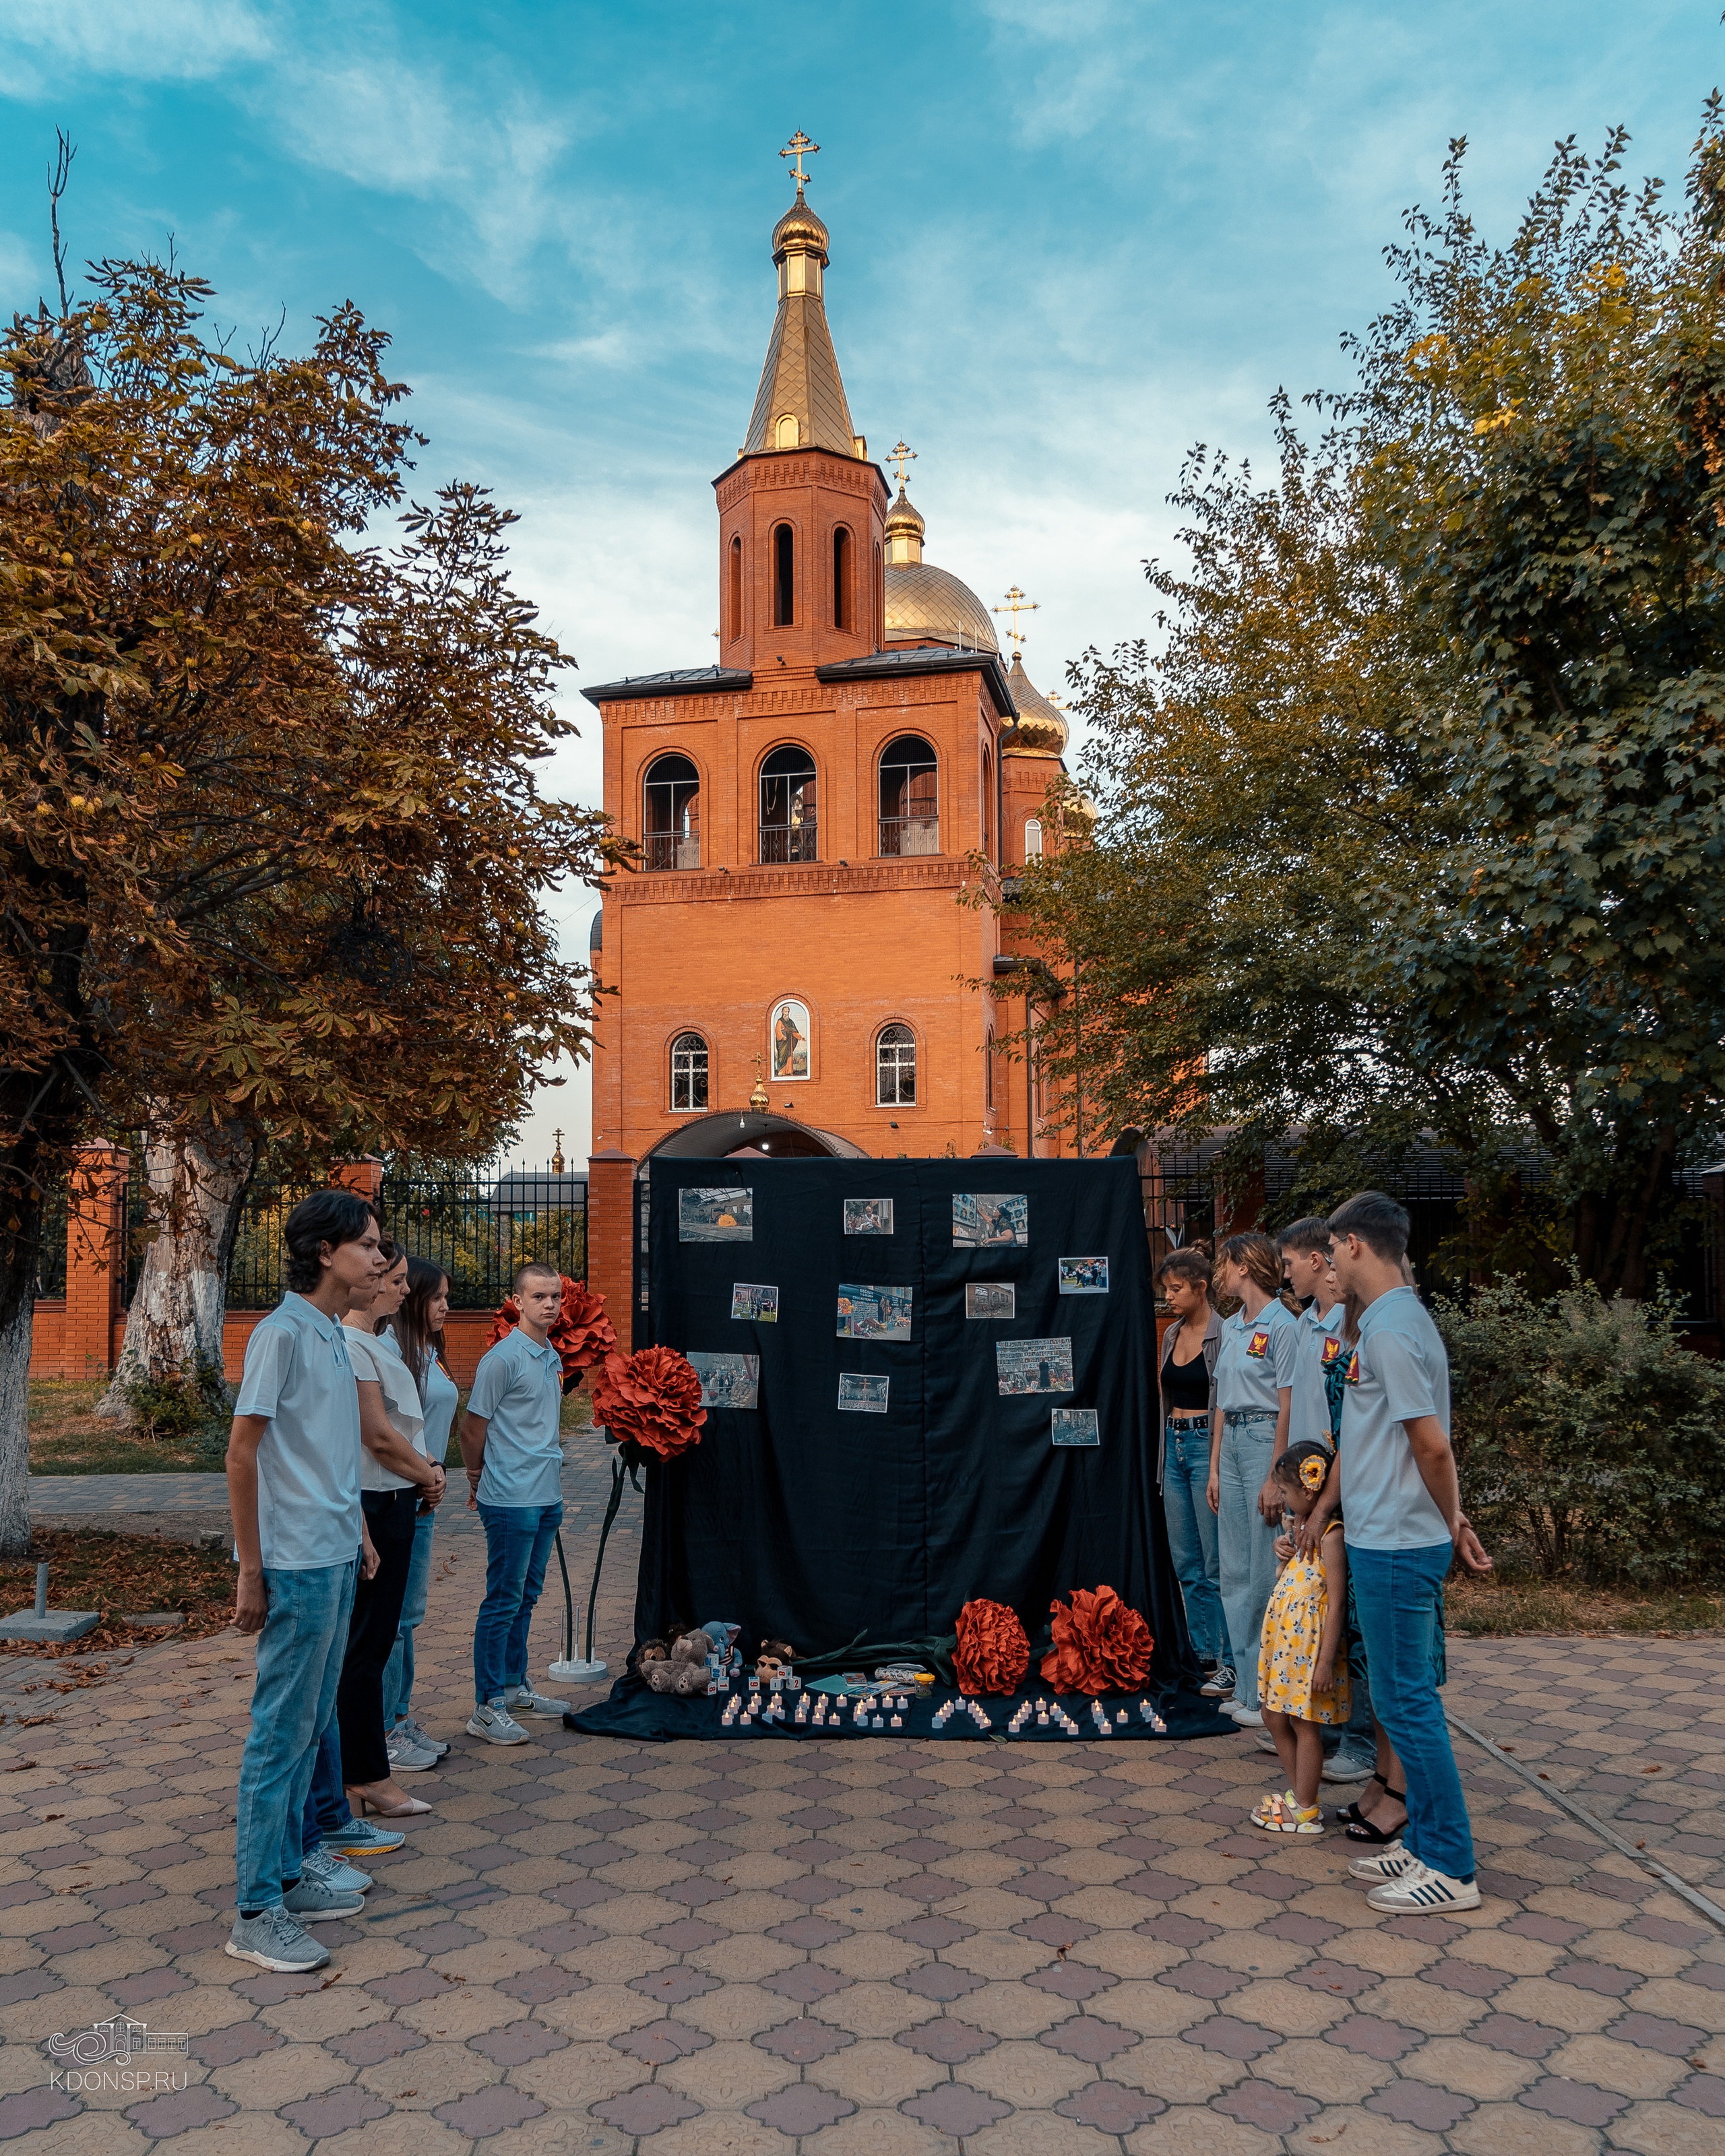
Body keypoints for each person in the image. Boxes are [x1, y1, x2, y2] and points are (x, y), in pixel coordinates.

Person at [224, 1190, 384, 1974]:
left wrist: (355, 1532)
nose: (379, 1258)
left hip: (331, 1554)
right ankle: (256, 1908)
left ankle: (292, 1870)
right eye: (367, 1244)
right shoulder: (281, 1333)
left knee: (314, 1719)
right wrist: (251, 1569)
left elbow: (327, 1451)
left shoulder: (328, 1333)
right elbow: (241, 1453)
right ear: (326, 1251)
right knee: (279, 1733)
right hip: (290, 1561)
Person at [1325, 1190, 1492, 1914]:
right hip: (1392, 1532)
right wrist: (1450, 1517)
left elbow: (1430, 1442)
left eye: (1331, 1247)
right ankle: (1424, 1840)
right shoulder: (1398, 1319)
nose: (1329, 1260)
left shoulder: (1391, 1330)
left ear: (1355, 1244)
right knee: (1403, 1697)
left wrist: (1449, 1515)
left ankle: (1450, 1865)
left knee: (1405, 1701)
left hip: (1394, 1539)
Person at [339, 1247, 447, 1816]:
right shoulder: (352, 1344)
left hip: (398, 1497)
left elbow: (406, 1427)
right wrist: (427, 1475)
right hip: (376, 1502)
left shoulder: (379, 1342)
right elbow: (377, 1437)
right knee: (365, 1646)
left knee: (378, 1640)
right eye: (396, 1280)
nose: (405, 1291)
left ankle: (362, 1767)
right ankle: (364, 1774)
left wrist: (426, 1473)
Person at [1277, 1219, 1375, 1785]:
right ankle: (1328, 1729)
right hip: (1317, 1481)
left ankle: (1361, 1742)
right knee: (1317, 1608)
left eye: (1333, 1262)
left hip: (1344, 1489)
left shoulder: (1359, 1328)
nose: (1328, 1273)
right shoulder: (1306, 1324)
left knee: (1350, 1616)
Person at [460, 1261, 571, 1744]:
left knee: (524, 1598)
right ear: (518, 1301)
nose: (549, 1304)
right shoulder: (502, 1359)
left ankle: (513, 1686)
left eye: (555, 1297)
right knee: (502, 1601)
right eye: (539, 1297)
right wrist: (475, 1476)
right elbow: (472, 1427)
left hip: (546, 1496)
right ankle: (486, 1707)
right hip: (510, 1499)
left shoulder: (552, 1355)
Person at [1206, 1232, 1300, 1730]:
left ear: (1245, 1266)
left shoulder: (1282, 1325)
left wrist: (1275, 1477)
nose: (1219, 1273)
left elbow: (1287, 1403)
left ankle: (1268, 1694)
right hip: (1234, 1441)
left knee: (1264, 1576)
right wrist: (1216, 1466)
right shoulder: (1235, 1327)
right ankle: (1245, 1690)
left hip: (1265, 1440)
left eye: (1224, 1264)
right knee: (1235, 1572)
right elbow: (1221, 1400)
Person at [383, 1259, 459, 1769]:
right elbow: (383, 1432)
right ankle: (384, 1729)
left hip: (425, 1494)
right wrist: (426, 1474)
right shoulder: (388, 1349)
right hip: (404, 1494)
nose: (445, 1306)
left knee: (408, 1619)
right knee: (391, 1621)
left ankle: (401, 1717)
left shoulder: (427, 1351)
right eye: (436, 1298)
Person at [1252, 1441, 1350, 1835]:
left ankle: (1306, 1807)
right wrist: (1283, 1551)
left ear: (1309, 1491)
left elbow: (1338, 1601)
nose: (1286, 1502)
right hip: (1284, 1645)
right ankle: (1299, 1794)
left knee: (1305, 1723)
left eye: (1287, 1494)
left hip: (1310, 1650)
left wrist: (1326, 1661)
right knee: (1272, 1714)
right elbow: (1293, 1571)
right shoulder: (1298, 1528)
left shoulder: (1331, 1535)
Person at [1154, 1250, 1229, 1694]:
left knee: (1216, 1559)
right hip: (1174, 1444)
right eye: (1166, 1289)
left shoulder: (1224, 1336)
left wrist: (1219, 1463)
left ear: (1200, 1287)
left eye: (1176, 1289)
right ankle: (1203, 1654)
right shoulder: (1171, 1334)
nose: (1168, 1297)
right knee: (1186, 1561)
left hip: (1206, 1446)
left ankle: (1228, 1658)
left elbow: (1226, 1401)